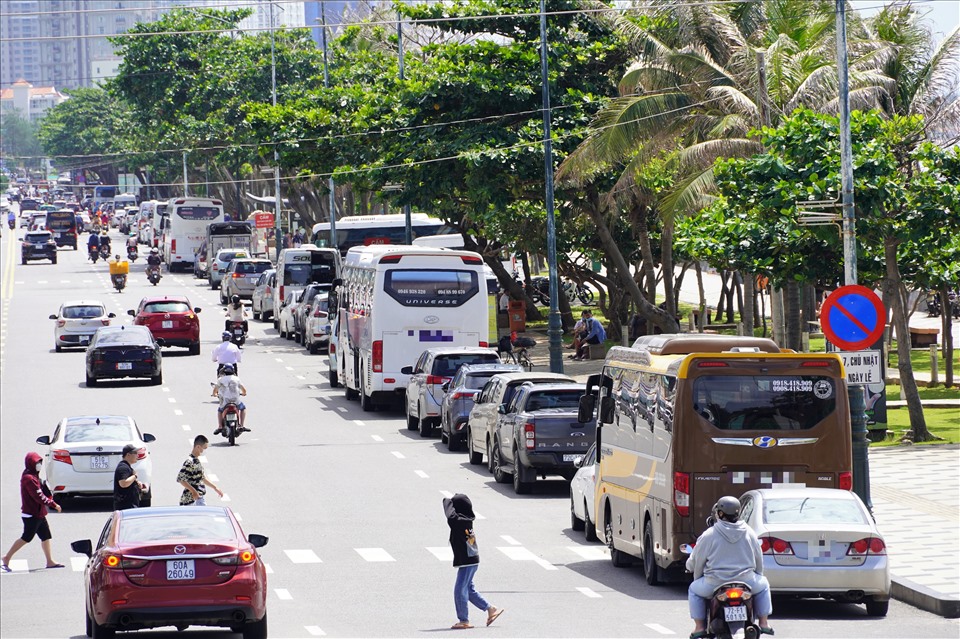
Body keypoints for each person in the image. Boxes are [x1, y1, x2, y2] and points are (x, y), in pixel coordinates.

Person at [687, 496, 774, 638]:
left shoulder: (709, 535)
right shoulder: (749, 532)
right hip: (747, 581)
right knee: (764, 584)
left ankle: (699, 627)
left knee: (693, 590)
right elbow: (759, 559)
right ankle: (763, 623)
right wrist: (758, 575)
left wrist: (692, 571)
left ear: (720, 514)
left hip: (715, 583)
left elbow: (697, 560)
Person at [442, 493, 503, 630]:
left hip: (467, 561)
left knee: (459, 590)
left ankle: (464, 620)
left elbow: (450, 516)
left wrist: (447, 500)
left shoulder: (458, 521)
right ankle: (491, 609)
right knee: (468, 590)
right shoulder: (466, 519)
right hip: (471, 560)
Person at [1, 453, 64, 572]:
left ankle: (49, 561)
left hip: (39, 513)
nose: (39, 465)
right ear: (31, 464)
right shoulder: (29, 478)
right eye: (37, 463)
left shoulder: (34, 476)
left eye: (40, 463)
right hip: (31, 514)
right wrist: (54, 504)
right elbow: (38, 496)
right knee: (26, 537)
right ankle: (6, 558)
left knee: (45, 536)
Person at [177, 435, 223, 506]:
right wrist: (194, 492)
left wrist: (215, 488)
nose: (204, 451)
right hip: (191, 500)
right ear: (198, 447)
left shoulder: (196, 461)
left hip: (198, 498)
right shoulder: (189, 462)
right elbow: (181, 479)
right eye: (204, 448)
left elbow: (202, 478)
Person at [213, 364, 248, 434]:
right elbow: (244, 390)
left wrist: (215, 394)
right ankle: (241, 425)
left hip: (225, 402)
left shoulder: (220, 379)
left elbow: (215, 390)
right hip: (236, 401)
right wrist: (244, 393)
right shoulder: (237, 379)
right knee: (243, 408)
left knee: (220, 410)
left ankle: (220, 426)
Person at [113, 444, 146, 511]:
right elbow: (123, 483)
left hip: (131, 505)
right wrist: (135, 476)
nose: (137, 455)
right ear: (128, 455)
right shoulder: (123, 467)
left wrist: (137, 484)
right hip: (125, 506)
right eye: (135, 453)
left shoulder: (127, 467)